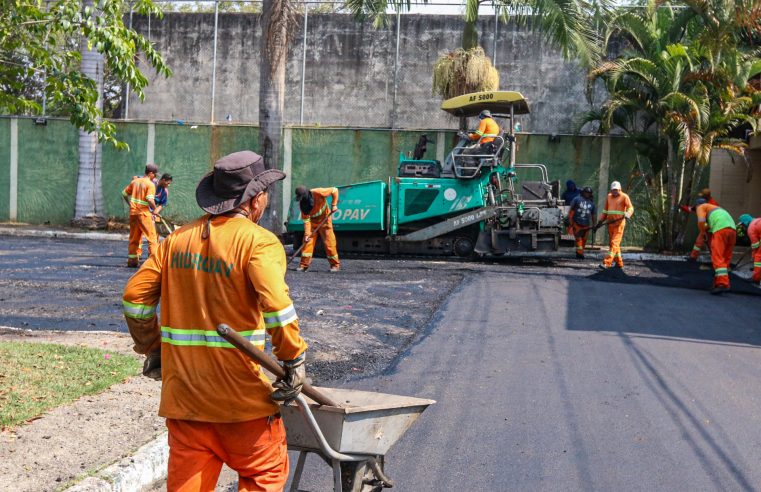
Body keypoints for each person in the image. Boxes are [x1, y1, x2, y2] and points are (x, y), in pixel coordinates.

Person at [122, 150, 308, 490]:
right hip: (243, 407)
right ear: (256, 199)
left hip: (187, 405)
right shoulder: (259, 243)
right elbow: (277, 306)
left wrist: (154, 347)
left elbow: (135, 299)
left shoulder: (174, 241)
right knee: (263, 476)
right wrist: (293, 357)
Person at [295, 185, 341, 272]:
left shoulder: (318, 192)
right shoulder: (303, 205)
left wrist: (334, 204)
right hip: (312, 223)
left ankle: (335, 265)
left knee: (329, 243)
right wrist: (307, 234)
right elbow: (306, 221)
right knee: (307, 243)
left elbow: (334, 190)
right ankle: (303, 265)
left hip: (325, 220)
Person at [694, 199, 737, 294]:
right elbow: (710, 225)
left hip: (720, 229)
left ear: (697, 205)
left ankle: (722, 284)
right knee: (725, 259)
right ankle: (721, 281)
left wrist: (703, 231)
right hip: (733, 230)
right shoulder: (717, 209)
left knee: (717, 257)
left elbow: (701, 222)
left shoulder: (701, 207)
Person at [122, 164, 159, 268]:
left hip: (133, 214)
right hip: (143, 214)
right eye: (155, 175)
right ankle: (154, 263)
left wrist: (130, 205)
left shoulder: (135, 182)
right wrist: (155, 210)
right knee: (152, 238)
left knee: (134, 238)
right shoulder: (150, 184)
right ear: (151, 173)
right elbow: (150, 199)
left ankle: (132, 261)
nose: (155, 177)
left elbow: (124, 194)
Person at [599, 181, 634, 269]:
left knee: (614, 243)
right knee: (613, 245)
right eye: (613, 190)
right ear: (611, 190)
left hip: (619, 224)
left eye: (616, 190)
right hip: (610, 224)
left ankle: (607, 262)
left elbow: (631, 207)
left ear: (620, 189)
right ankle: (619, 263)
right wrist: (601, 220)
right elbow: (605, 211)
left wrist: (628, 214)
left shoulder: (624, 196)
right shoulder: (609, 197)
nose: (614, 192)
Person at [683, 188, 719, 261]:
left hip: (711, 226)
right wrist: (683, 207)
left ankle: (716, 258)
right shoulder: (703, 202)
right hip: (707, 226)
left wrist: (704, 229)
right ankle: (693, 257)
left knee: (711, 243)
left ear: (706, 196)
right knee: (700, 241)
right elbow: (693, 209)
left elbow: (706, 217)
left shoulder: (712, 203)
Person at [568, 186, 597, 259]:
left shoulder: (592, 203)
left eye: (589, 193)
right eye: (586, 192)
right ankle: (580, 254)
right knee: (579, 240)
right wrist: (571, 222)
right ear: (583, 192)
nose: (587, 194)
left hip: (586, 225)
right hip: (577, 224)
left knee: (584, 240)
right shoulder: (577, 199)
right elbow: (571, 211)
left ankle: (579, 252)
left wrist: (594, 224)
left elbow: (593, 215)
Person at [737, 214, 761, 284]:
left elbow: (755, 245)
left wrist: (753, 258)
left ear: (745, 223)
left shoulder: (751, 228)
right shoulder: (757, 220)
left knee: (758, 259)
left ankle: (756, 279)